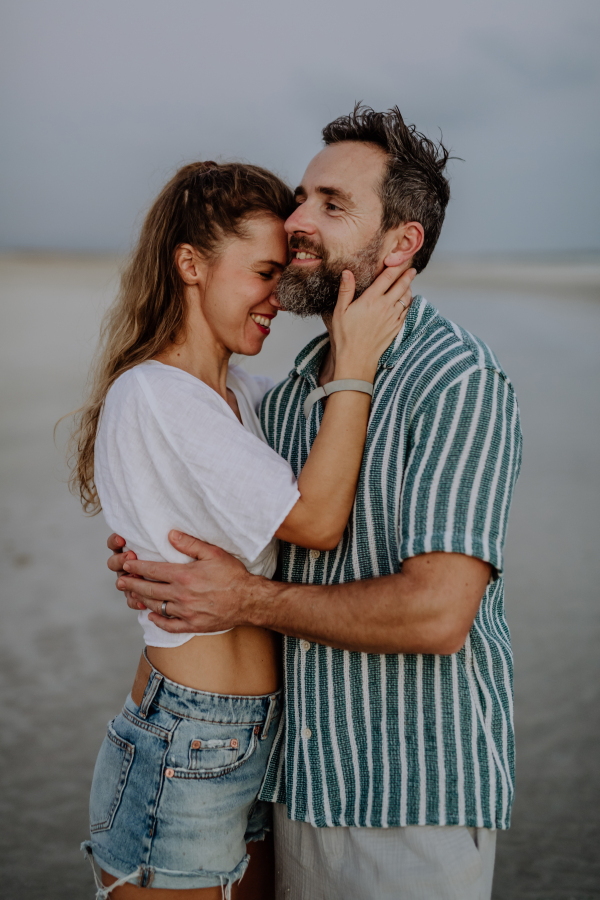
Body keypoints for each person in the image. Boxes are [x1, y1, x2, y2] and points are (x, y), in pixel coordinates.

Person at [109, 107, 523, 900]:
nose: (296, 221)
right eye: (302, 197)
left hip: (408, 794)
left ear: (402, 244)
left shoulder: (456, 380)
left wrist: (244, 597)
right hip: (292, 779)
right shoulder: (296, 388)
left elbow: (438, 615)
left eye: (331, 205)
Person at [68, 159, 415, 899]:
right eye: (262, 272)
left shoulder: (237, 396)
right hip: (185, 741)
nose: (278, 296)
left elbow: (324, 443)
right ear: (190, 264)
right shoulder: (156, 392)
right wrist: (354, 359)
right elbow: (316, 520)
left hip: (252, 740)